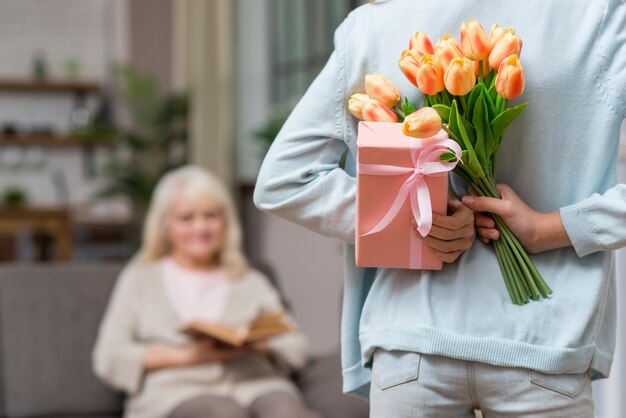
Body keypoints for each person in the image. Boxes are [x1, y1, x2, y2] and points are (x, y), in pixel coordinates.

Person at [253, 0, 626, 416]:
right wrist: (556, 228)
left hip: (412, 348)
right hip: (545, 341)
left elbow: (284, 179)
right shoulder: (601, 17)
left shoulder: (375, 25)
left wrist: (415, 216)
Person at [93, 165, 319, 418]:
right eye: (186, 218)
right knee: (222, 413)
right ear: (165, 226)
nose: (200, 228)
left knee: (286, 410)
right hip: (175, 393)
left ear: (226, 221)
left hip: (257, 384)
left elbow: (297, 348)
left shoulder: (251, 281)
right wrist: (189, 356)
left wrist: (260, 343)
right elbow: (109, 356)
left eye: (211, 215)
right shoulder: (140, 278)